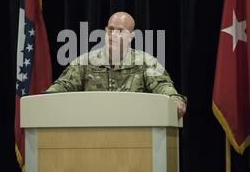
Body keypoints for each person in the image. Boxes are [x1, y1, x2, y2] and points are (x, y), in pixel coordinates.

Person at [46, 12, 187, 117]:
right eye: (110, 29)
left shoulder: (146, 62)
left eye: (119, 31)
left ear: (131, 36)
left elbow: (162, 85)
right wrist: (45, 99)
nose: (113, 34)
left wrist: (174, 100)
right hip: (92, 132)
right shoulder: (85, 62)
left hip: (134, 131)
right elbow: (62, 86)